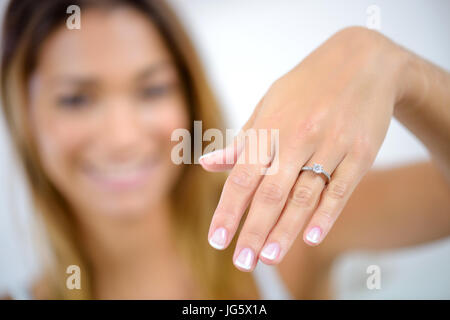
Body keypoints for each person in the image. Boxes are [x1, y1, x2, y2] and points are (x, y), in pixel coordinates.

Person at [1, 0, 449, 299]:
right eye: (76, 99)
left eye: (153, 89)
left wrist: (399, 69)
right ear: (24, 115)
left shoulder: (280, 226)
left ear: (190, 99)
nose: (121, 136)